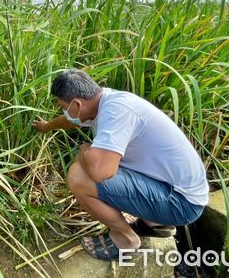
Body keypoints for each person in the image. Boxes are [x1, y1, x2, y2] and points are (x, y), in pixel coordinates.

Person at [32, 68, 209, 261]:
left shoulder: (117, 113)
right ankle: (155, 223)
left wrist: (84, 151)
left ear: (77, 103)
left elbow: (101, 173)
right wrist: (47, 126)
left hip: (182, 204)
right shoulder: (105, 101)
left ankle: (126, 240)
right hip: (177, 190)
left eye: (62, 106)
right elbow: (73, 120)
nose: (64, 112)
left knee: (78, 175)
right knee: (95, 157)